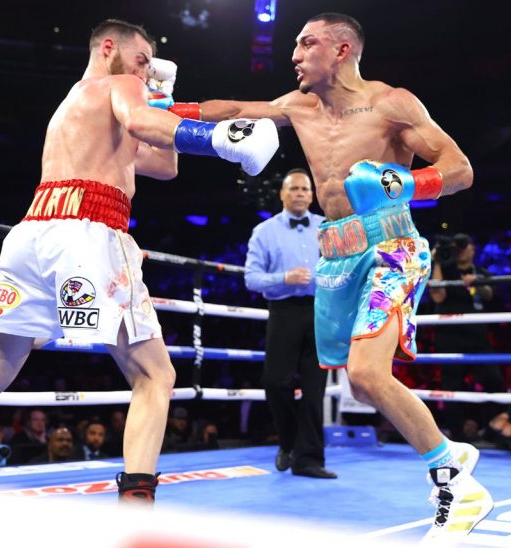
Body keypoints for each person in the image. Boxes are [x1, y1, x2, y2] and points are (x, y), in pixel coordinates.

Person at [0, 18, 279, 506]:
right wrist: (219, 137)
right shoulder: (119, 85)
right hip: (89, 232)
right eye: (141, 60)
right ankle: (137, 498)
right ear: (108, 47)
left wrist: (164, 95)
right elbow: (141, 123)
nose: (145, 70)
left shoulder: (74, 106)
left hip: (32, 235)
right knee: (155, 376)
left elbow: (163, 164)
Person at [158, 11, 492, 539]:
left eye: (306, 43)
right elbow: (236, 110)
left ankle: (456, 484)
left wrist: (402, 183)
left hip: (390, 244)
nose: (294, 55)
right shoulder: (298, 106)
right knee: (359, 382)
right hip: (335, 253)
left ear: (341, 50)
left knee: (367, 374)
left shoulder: (391, 103)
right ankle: (450, 452)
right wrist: (164, 110)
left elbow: (460, 169)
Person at [244, 168, 335, 479]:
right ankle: (289, 442)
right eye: (293, 188)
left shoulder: (327, 227)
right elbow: (251, 278)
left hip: (321, 310)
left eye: (305, 189)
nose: (299, 193)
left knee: (314, 387)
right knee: (275, 382)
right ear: (282, 194)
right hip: (283, 310)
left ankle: (309, 460)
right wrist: (284, 278)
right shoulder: (264, 231)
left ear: (312, 195)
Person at [428, 233, 503, 439]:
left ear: (472, 248)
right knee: (451, 388)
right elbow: (438, 296)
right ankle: (457, 435)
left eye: (463, 245)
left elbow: (489, 294)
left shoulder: (481, 273)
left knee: (494, 381)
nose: (460, 250)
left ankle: (494, 429)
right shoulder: (444, 272)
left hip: (477, 337)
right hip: (449, 338)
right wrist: (437, 261)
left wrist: (476, 284)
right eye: (456, 247)